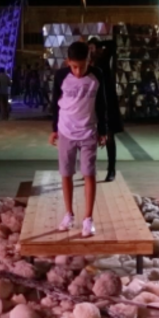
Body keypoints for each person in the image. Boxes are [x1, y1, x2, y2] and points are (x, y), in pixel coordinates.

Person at [48, 41, 109, 238]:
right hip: (65, 131)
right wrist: (53, 128)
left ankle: (88, 219)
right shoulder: (60, 76)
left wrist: (103, 130)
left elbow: (102, 102)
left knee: (88, 174)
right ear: (68, 62)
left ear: (89, 61)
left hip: (88, 132)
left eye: (82, 66)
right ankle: (68, 214)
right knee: (66, 174)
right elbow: (55, 103)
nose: (78, 71)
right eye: (74, 66)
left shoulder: (97, 75)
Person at [89, 39, 123, 182]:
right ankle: (89, 170)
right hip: (92, 104)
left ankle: (111, 170)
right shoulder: (86, 63)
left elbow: (112, 44)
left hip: (108, 102)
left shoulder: (103, 61)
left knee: (109, 137)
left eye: (93, 48)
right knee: (88, 139)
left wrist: (97, 42)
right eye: (89, 48)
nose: (91, 50)